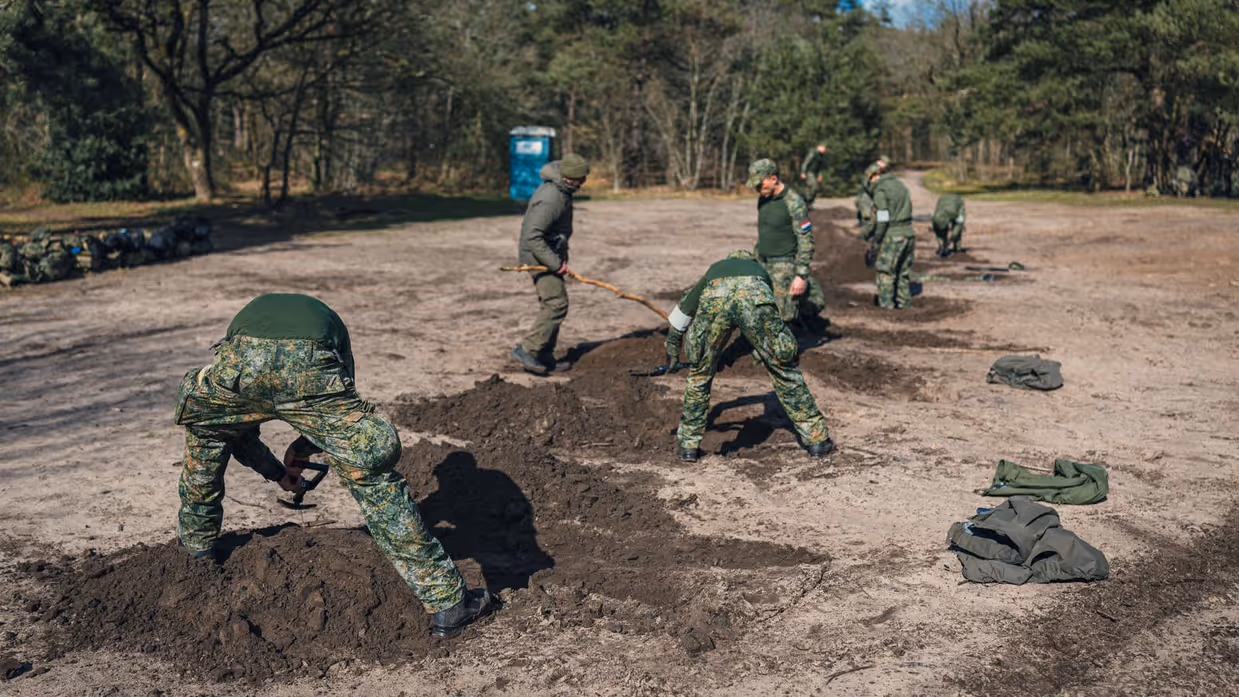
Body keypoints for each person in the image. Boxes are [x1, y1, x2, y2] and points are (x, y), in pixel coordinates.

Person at [174, 293, 495, 638]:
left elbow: (234, 430)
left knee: (207, 432)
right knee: (371, 470)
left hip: (239, 365)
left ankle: (197, 553)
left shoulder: (244, 326)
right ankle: (448, 605)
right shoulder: (333, 330)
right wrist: (296, 460)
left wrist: (285, 465)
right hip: (312, 364)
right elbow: (341, 410)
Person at [664, 250, 835, 461]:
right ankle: (817, 441)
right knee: (784, 369)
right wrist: (728, 355)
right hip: (755, 296)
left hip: (715, 298)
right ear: (750, 261)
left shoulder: (715, 270)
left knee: (699, 373)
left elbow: (684, 309)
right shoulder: (760, 272)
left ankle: (688, 446)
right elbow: (754, 335)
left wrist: (673, 347)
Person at [512, 153, 590, 375]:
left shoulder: (562, 190)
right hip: (539, 258)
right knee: (556, 303)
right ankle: (528, 350)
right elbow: (532, 237)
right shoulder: (551, 198)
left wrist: (561, 252)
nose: (583, 183)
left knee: (552, 303)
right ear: (570, 177)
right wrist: (555, 264)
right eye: (581, 178)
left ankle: (544, 354)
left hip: (549, 254)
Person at [745, 158, 826, 328]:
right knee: (759, 308)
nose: (758, 189)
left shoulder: (793, 202)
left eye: (761, 185)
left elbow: (806, 240)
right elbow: (766, 233)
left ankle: (784, 349)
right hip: (763, 262)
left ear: (773, 179)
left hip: (784, 265)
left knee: (782, 317)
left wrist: (801, 275)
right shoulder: (764, 199)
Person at [864, 163, 915, 309]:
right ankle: (905, 304)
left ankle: (886, 307)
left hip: (893, 236)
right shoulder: (901, 186)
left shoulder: (881, 191)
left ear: (874, 176)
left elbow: (883, 218)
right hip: (909, 234)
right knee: (903, 272)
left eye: (870, 180)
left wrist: (877, 240)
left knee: (885, 272)